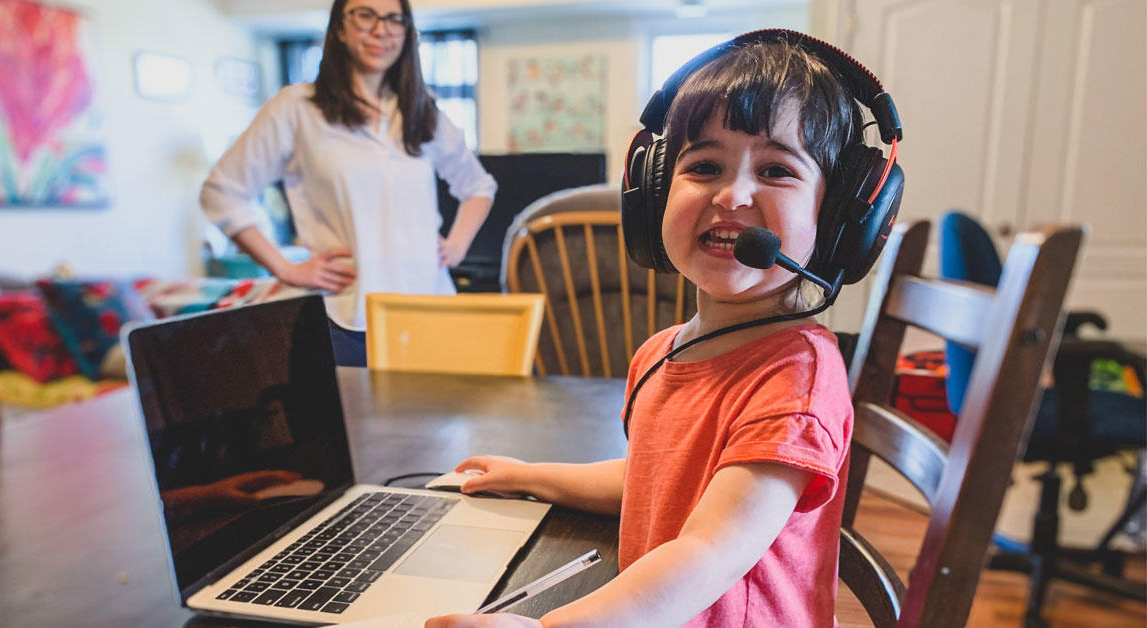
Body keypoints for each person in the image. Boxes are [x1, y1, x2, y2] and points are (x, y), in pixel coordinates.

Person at [427, 30, 904, 628]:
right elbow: (652, 481)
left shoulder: (796, 381)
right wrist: (528, 476)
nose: (733, 194)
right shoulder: (662, 353)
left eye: (778, 169)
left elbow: (709, 551)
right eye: (703, 166)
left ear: (837, 220)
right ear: (653, 196)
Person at [200, 0, 496, 366]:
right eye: (365, 15)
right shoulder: (297, 107)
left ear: (406, 32)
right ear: (339, 28)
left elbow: (478, 186)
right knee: (352, 424)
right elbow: (222, 192)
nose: (380, 29)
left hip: (429, 308)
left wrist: (457, 245)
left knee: (433, 423)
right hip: (347, 317)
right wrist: (285, 267)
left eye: (393, 19)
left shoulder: (422, 109)